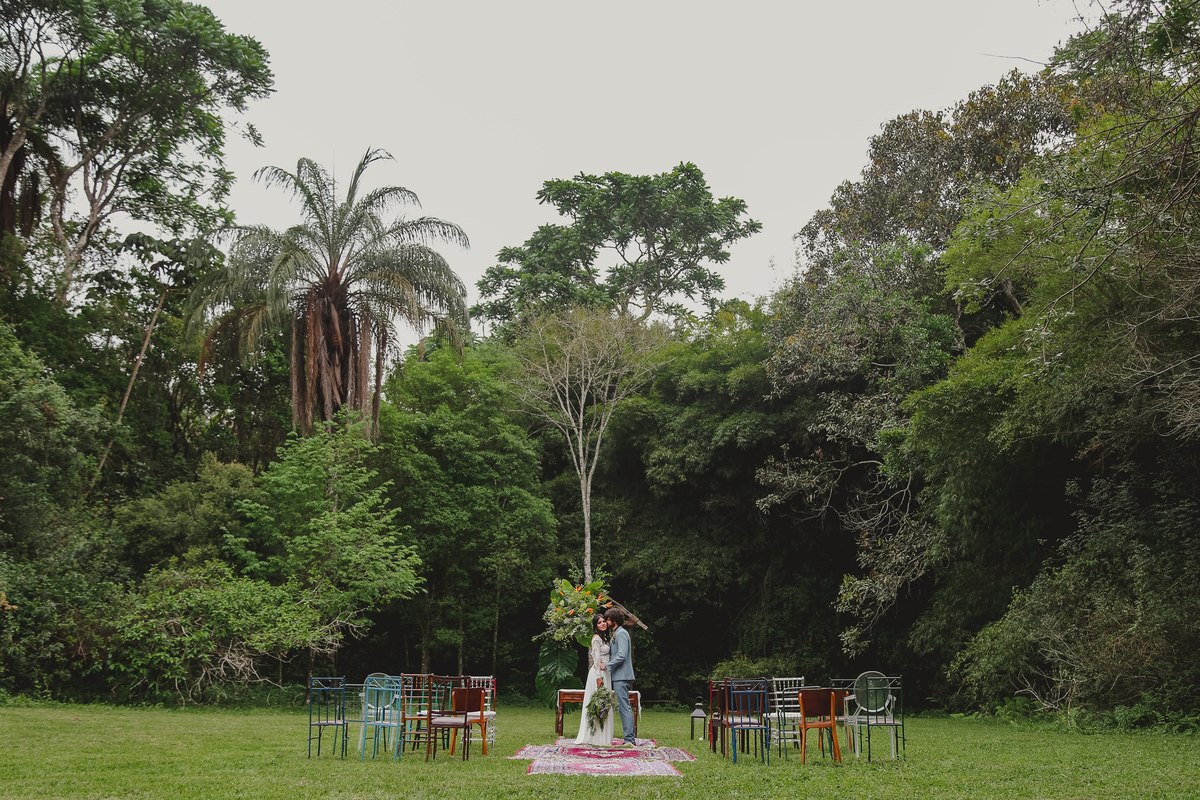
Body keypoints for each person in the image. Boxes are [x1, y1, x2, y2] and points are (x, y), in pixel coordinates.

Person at [573, 613, 615, 746]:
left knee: (605, 703)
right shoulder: (596, 638)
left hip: (606, 672)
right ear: (595, 626)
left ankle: (604, 735)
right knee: (598, 702)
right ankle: (595, 736)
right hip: (598, 673)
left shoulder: (606, 638)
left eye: (603, 621)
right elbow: (596, 658)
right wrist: (598, 677)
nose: (602, 624)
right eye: (599, 622)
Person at [603, 606, 637, 746]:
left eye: (607, 620)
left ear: (613, 620)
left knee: (624, 707)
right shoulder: (617, 632)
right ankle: (629, 738)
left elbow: (622, 655)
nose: (606, 622)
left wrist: (607, 665)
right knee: (623, 707)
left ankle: (629, 739)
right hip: (618, 676)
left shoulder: (621, 633)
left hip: (622, 676)